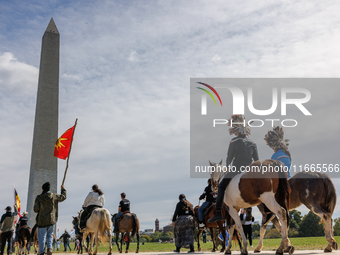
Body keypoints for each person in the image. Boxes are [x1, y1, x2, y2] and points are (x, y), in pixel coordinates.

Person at [209, 115, 259, 222]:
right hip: (249, 169)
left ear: (236, 131)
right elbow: (256, 160)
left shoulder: (234, 141)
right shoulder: (253, 143)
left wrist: (227, 167)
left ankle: (218, 212)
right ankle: (254, 211)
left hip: (237, 168)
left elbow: (229, 158)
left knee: (221, 186)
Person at [263, 126, 292, 223]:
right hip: (289, 178)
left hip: (280, 181)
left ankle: (269, 213)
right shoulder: (287, 155)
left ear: (274, 147)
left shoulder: (275, 156)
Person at [34, 182, 66, 255]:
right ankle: (49, 249)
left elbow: (35, 209)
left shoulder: (39, 197)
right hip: (52, 219)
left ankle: (41, 251)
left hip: (41, 221)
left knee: (42, 237)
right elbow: (63, 197)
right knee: (50, 235)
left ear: (42, 189)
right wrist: (63, 189)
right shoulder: (54, 196)